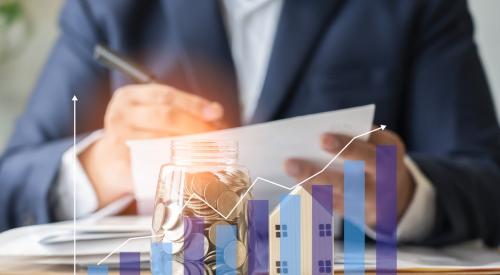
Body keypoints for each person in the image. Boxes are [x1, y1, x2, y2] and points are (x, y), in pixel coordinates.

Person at [0, 0, 499, 249]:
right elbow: (11, 182)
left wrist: (410, 195)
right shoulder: (107, 7)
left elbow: (486, 180)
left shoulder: (418, 6)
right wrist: (100, 168)